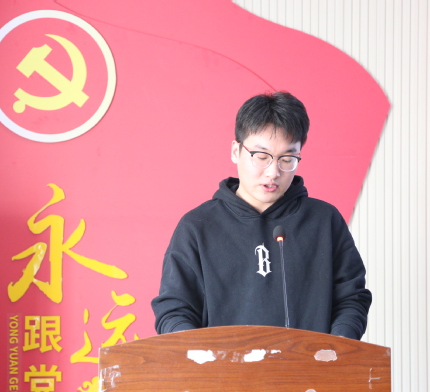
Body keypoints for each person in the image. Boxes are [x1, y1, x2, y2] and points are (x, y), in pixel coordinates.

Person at [151, 92, 371, 340]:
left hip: (310, 364)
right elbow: (174, 310)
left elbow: (351, 298)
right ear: (236, 151)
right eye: (262, 157)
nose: (273, 172)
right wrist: (194, 349)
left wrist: (338, 347)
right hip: (222, 365)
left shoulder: (324, 221)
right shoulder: (197, 227)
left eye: (287, 158)